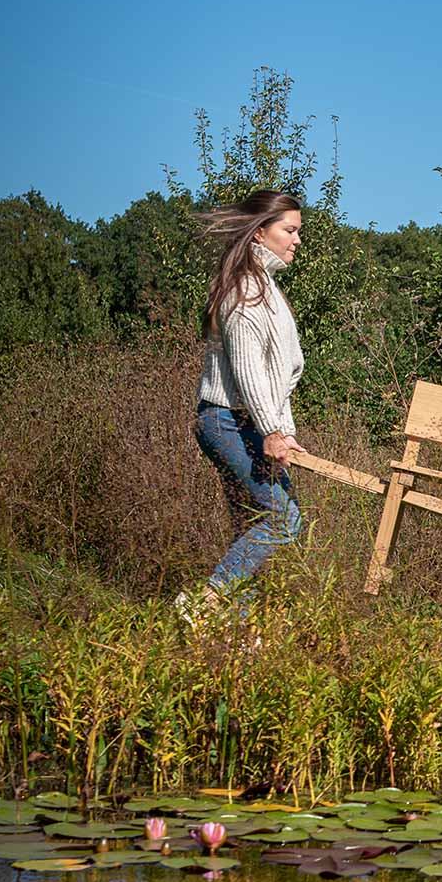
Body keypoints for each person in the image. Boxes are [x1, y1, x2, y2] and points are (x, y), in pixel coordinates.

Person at [178, 189, 307, 622]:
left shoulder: (267, 288)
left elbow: (279, 378)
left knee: (254, 527)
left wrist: (283, 431)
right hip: (226, 421)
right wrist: (272, 430)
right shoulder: (246, 290)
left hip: (248, 422)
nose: (297, 240)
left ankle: (230, 633)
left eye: (298, 231)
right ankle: (204, 604)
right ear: (259, 232)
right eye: (289, 231)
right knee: (282, 521)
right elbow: (249, 369)